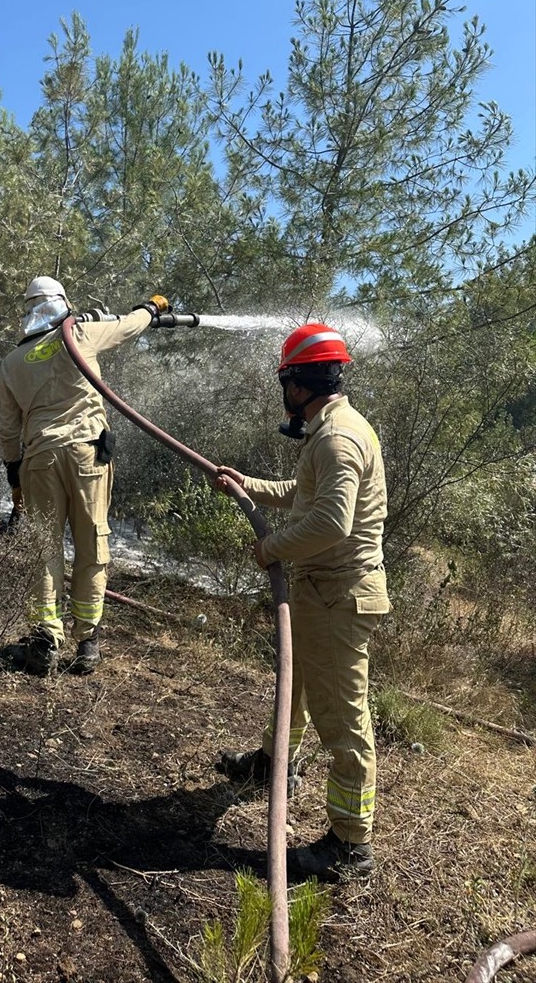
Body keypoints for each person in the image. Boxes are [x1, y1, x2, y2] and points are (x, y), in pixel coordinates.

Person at [214, 322, 390, 882]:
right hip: (323, 592)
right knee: (294, 690)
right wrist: (247, 485)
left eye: (285, 382)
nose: (283, 393)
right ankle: (273, 765)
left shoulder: (337, 438)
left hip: (340, 597)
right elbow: (304, 494)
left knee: (343, 720)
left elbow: (333, 522)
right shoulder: (329, 430)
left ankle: (350, 844)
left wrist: (272, 548)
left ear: (299, 383)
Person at [0, 276, 169, 676]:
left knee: (45, 547)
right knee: (92, 541)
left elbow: (8, 430)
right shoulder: (79, 335)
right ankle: (88, 642)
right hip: (87, 455)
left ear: (27, 310)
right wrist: (150, 308)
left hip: (38, 459)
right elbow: (128, 327)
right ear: (62, 303)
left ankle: (44, 641)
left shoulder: (12, 362)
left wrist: (14, 479)